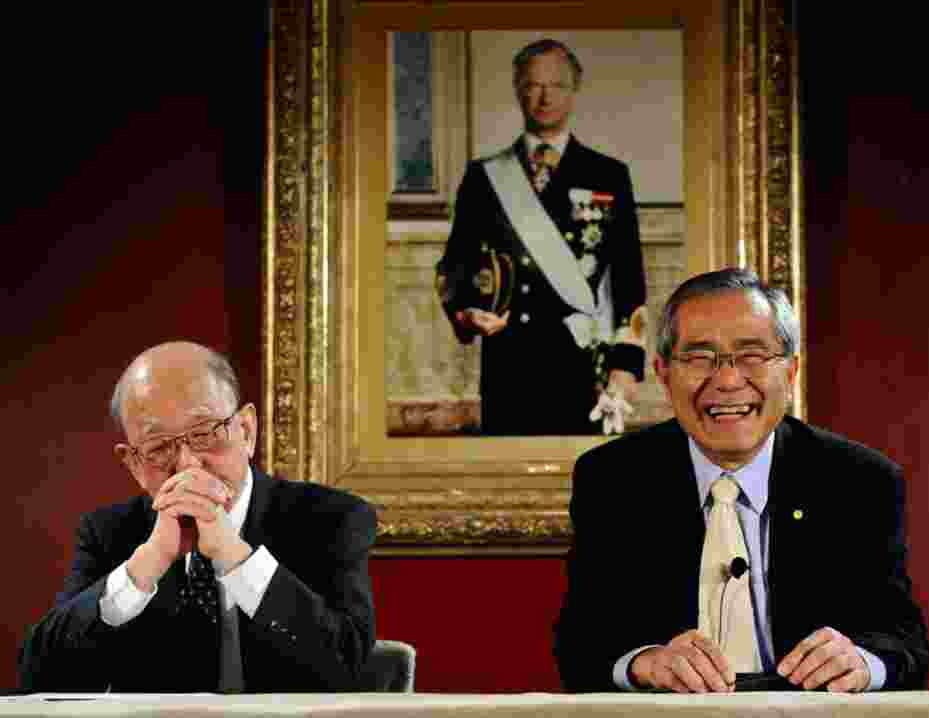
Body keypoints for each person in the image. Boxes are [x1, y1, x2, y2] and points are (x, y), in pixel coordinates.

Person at [553, 268, 929, 693]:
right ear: (663, 373)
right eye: (700, 358)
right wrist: (645, 662)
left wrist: (861, 662)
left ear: (790, 373)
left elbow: (905, 642)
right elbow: (580, 647)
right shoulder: (614, 481)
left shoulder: (857, 481)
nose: (728, 381)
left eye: (752, 355)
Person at [18, 341, 376, 693]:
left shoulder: (330, 519)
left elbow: (348, 669)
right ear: (134, 464)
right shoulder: (109, 532)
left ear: (246, 431)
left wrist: (235, 557)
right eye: (159, 447)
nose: (187, 464)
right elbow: (40, 678)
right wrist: (149, 562)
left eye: (204, 433)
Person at [436, 38, 647, 436]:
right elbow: (456, 264)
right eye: (533, 85)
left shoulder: (607, 175)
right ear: (518, 89)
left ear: (574, 91)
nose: (545, 96)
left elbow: (628, 277)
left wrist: (626, 365)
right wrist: (466, 312)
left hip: (583, 361)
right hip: (508, 359)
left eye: (557, 85)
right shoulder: (484, 177)